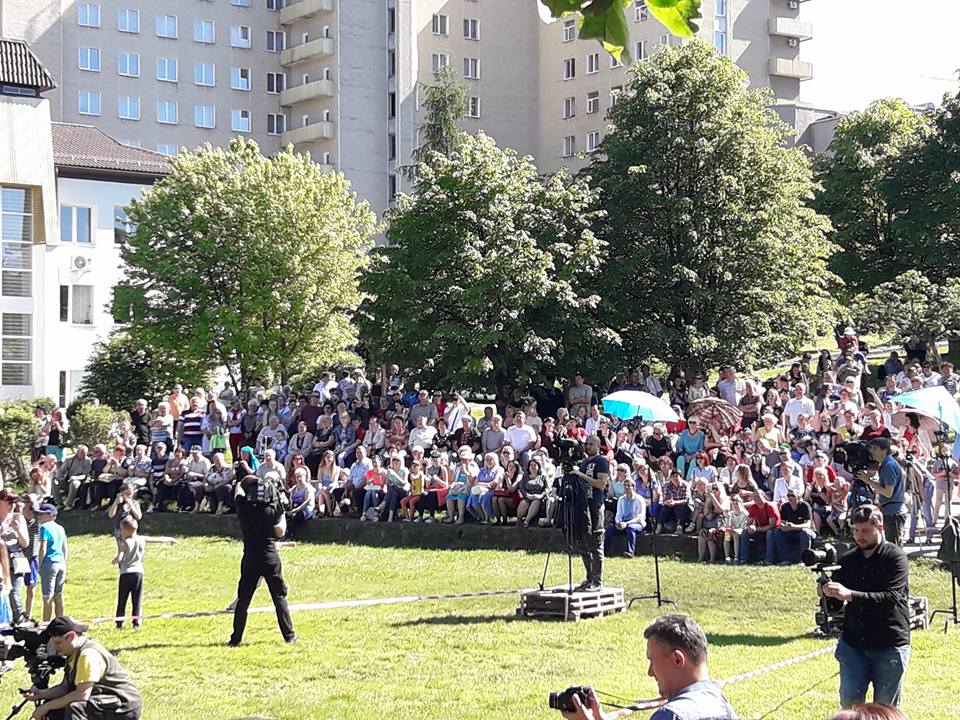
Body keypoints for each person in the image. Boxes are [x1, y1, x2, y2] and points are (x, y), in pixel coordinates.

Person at [562, 614, 737, 720]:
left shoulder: (671, 715)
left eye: (652, 661)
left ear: (677, 660)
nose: (650, 672)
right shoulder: (723, 706)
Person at [821, 504, 910, 709]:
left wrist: (850, 595)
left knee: (885, 709)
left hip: (889, 643)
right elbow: (835, 605)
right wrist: (827, 592)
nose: (860, 536)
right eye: (856, 530)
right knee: (849, 706)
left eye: (866, 531)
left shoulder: (896, 558)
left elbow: (890, 598)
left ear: (880, 528)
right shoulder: (848, 560)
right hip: (854, 645)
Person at [25, 616, 142, 719]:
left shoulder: (87, 655)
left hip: (124, 706)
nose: (55, 647)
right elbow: (65, 688)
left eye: (58, 642)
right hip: (105, 701)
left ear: (71, 636)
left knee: (76, 708)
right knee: (56, 708)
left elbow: (81, 695)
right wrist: (40, 694)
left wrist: (46, 707)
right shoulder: (73, 652)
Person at [229, 472, 296, 646]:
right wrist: (273, 490)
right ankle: (289, 636)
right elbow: (280, 528)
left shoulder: (243, 506)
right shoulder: (272, 509)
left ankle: (235, 639)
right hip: (270, 556)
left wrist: (247, 483)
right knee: (279, 597)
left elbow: (238, 489)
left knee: (243, 599)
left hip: (250, 557)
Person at [112, 516, 177, 630]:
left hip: (126, 574)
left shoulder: (126, 542)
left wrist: (116, 560)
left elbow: (120, 556)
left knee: (122, 599)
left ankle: (119, 623)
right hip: (138, 573)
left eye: (122, 530)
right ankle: (136, 623)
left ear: (126, 530)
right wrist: (170, 539)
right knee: (137, 599)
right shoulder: (142, 539)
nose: (121, 532)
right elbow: (158, 539)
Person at [567, 435, 609, 590]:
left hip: (595, 504)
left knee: (596, 542)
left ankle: (598, 580)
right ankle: (589, 577)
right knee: (583, 542)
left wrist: (581, 475)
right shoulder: (583, 462)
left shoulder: (602, 462)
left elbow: (601, 484)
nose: (588, 446)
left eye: (591, 444)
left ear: (598, 445)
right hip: (582, 506)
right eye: (587, 444)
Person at [858, 438, 906, 546]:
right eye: (871, 448)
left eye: (874, 448)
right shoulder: (886, 464)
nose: (871, 451)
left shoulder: (888, 465)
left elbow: (888, 492)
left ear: (884, 450)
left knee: (894, 547)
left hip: (893, 512)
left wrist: (868, 481)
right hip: (890, 510)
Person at [37, 504, 67, 622]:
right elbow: (65, 548)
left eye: (42, 514)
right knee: (58, 595)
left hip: (49, 564)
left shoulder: (44, 528)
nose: (39, 516)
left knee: (47, 597)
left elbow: (42, 548)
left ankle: (46, 624)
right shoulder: (61, 528)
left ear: (50, 515)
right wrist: (64, 562)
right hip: (61, 563)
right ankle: (61, 622)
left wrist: (39, 564)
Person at [604, 478, 646, 558]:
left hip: (637, 524)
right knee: (609, 530)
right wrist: (618, 522)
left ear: (633, 487)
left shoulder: (640, 499)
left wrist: (627, 523)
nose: (626, 487)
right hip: (623, 523)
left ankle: (630, 552)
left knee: (630, 528)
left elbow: (639, 517)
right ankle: (604, 552)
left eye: (629, 486)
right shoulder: (621, 499)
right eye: (625, 486)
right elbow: (619, 514)